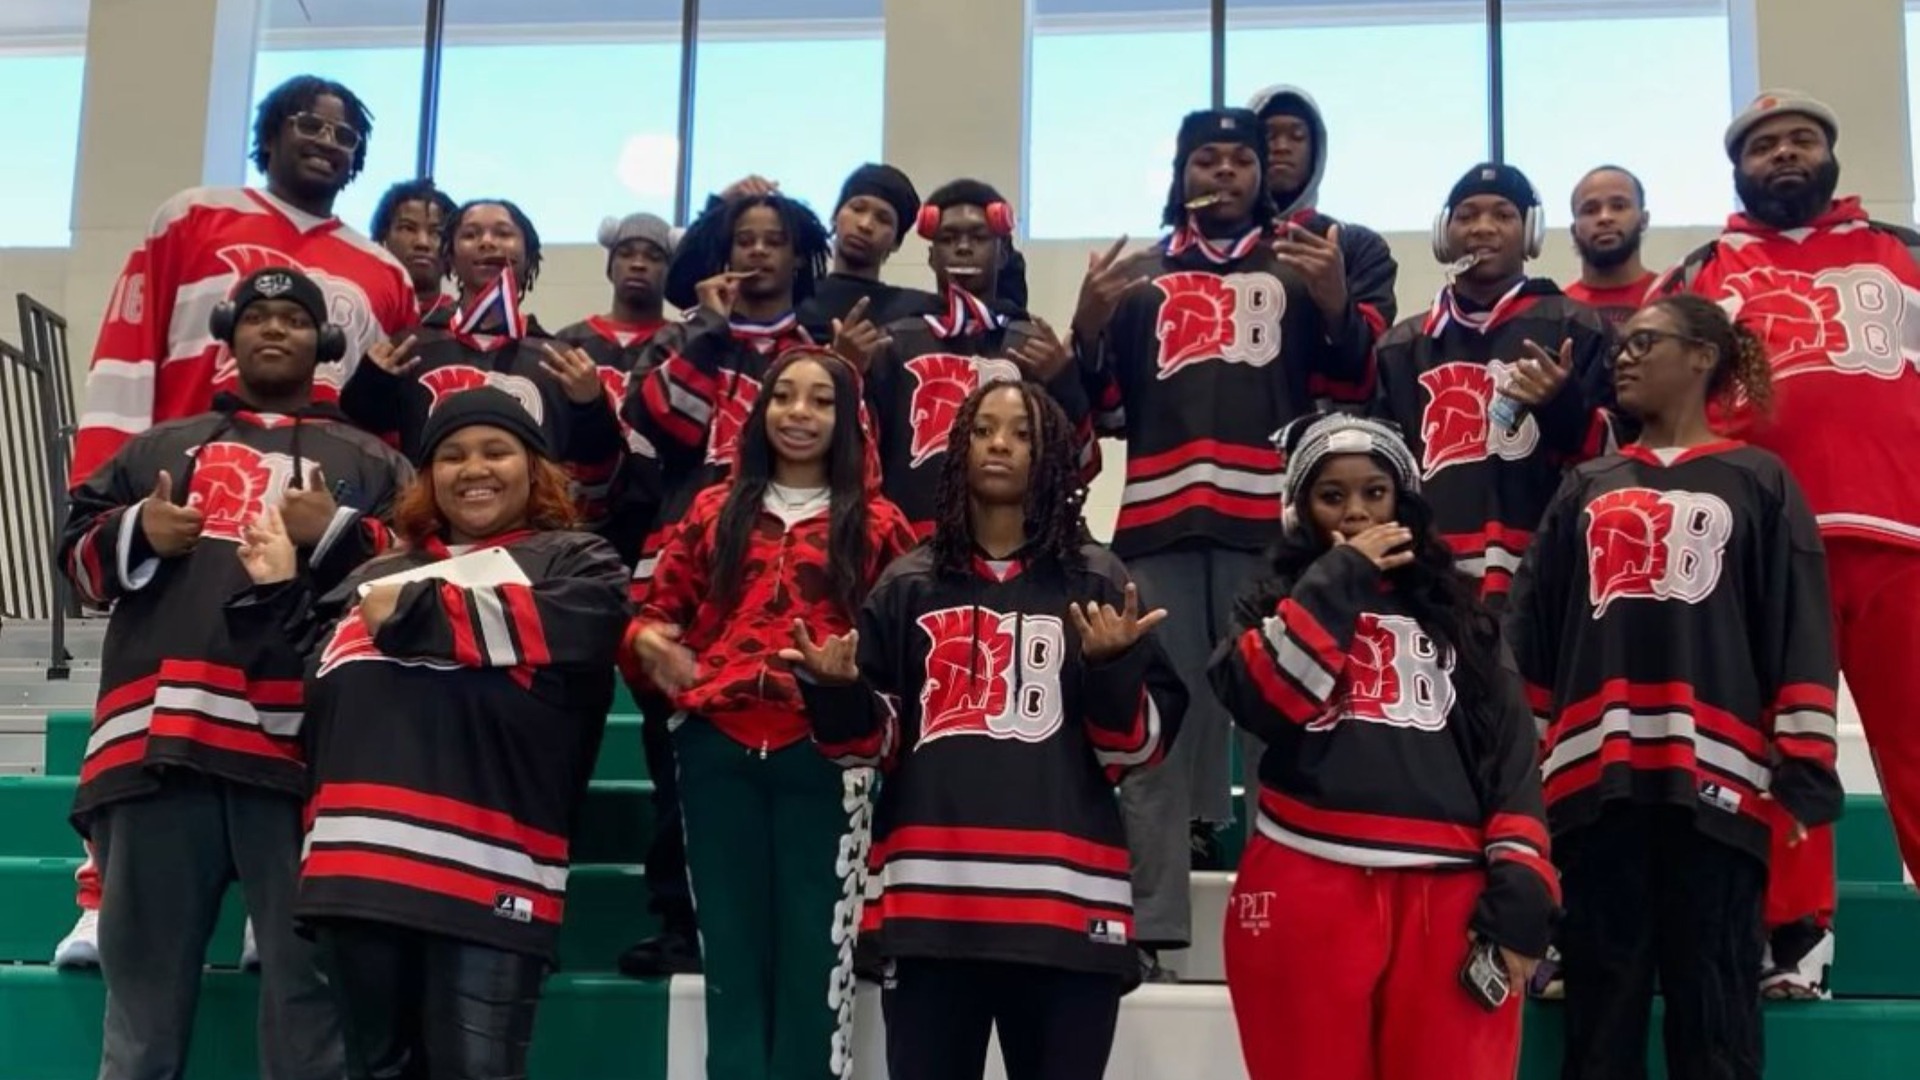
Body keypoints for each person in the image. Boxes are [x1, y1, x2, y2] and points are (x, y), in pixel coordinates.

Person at [57, 267, 412, 1080]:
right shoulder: (157, 447)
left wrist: (339, 533)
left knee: (309, 1002)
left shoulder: (373, 460)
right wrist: (136, 530)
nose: (274, 329)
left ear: (325, 342)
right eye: (257, 316)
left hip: (303, 757)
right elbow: (74, 563)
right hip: (155, 749)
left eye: (294, 318)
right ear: (228, 333)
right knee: (141, 1011)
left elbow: (414, 586)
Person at [227, 386, 629, 1079]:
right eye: (451, 455)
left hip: (489, 875)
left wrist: (417, 614)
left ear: (535, 468)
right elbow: (294, 719)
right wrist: (274, 598)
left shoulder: (575, 560)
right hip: (355, 874)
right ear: (427, 477)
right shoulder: (374, 574)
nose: (473, 469)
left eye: (496, 451)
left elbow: (588, 625)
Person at [788, 379, 1187, 1080]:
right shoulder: (906, 585)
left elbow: (1133, 750)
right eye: (983, 430)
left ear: (1053, 455)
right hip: (931, 912)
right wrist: (837, 692)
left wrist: (1111, 668)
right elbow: (866, 747)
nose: (999, 444)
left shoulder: (1099, 582)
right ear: (959, 449)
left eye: (1022, 433)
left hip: (1068, 911)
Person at [1506, 294, 1843, 1079]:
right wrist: (1522, 762)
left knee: (1716, 1014)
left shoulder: (1759, 478)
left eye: (1645, 343)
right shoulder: (1586, 484)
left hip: (1719, 779)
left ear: (1702, 356)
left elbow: (1797, 620)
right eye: (1622, 345)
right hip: (1597, 782)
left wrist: (1801, 760)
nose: (1623, 358)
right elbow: (1533, 627)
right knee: (1601, 1017)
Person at [1074, 107, 1376, 974]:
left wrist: (1336, 304)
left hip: (1272, 537)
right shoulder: (1137, 281)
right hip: (1156, 528)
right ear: (1181, 174)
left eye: (1239, 159)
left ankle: (1300, 924)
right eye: (1205, 158)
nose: (1224, 172)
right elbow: (1099, 410)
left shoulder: (1299, 268)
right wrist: (1088, 327)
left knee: (1289, 722)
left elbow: (1356, 388)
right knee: (1156, 728)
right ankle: (1152, 933)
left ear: (1261, 175)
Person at [1655, 89, 1920, 999]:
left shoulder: (1904, 252)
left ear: (1831, 155)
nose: (1783, 155)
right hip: (1764, 544)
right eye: (1763, 145)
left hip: (1903, 535)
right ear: (1738, 168)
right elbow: (1657, 395)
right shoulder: (1704, 270)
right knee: (1781, 749)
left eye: (1801, 138)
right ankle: (1795, 940)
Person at [1209, 413, 1554, 1080]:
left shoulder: (1465, 617)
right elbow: (1266, 701)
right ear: (1299, 510)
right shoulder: (1269, 606)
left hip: (1451, 893)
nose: (1356, 512)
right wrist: (1340, 577)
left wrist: (1520, 884)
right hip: (1306, 872)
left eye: (1375, 492)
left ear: (1406, 501)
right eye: (1331, 496)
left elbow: (1510, 755)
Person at [627, 348, 917, 1080]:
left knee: (815, 963)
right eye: (783, 396)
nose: (798, 413)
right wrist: (651, 645)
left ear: (849, 419)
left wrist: (853, 693)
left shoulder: (881, 525)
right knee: (731, 960)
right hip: (716, 748)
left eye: (820, 400)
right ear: (759, 413)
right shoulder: (712, 509)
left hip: (826, 757)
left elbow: (904, 656)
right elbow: (653, 615)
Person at [70, 74, 417, 488]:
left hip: (321, 498)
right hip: (181, 484)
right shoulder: (191, 218)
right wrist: (100, 484)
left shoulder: (388, 274)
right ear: (270, 136)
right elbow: (129, 355)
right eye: (310, 125)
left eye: (345, 136)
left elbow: (387, 420)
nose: (327, 142)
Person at [1371, 162, 1614, 604]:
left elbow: (1615, 461)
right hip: (1431, 579)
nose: (1482, 227)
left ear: (1531, 232)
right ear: (1443, 233)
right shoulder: (1400, 347)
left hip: (1548, 575)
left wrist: (1562, 407)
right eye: (1466, 216)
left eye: (1503, 215)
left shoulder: (1579, 328)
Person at [553, 211, 693, 976]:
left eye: (653, 254)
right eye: (628, 252)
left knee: (669, 742)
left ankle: (679, 913)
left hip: (666, 538)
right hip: (577, 544)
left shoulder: (687, 346)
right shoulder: (569, 342)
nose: (639, 265)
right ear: (609, 262)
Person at [339, 197, 625, 525]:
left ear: (529, 254)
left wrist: (591, 406)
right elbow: (364, 445)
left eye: (503, 233)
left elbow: (599, 468)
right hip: (428, 532)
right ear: (449, 256)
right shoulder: (411, 348)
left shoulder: (558, 360)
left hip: (535, 536)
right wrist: (369, 384)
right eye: (471, 234)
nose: (487, 242)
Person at [866, 178, 1093, 535]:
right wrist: (848, 370)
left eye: (979, 237)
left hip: (1016, 551)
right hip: (910, 549)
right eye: (948, 238)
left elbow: (1083, 463)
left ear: (1002, 254)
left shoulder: (1033, 347)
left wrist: (1064, 382)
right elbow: (857, 463)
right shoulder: (891, 345)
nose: (963, 247)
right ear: (931, 257)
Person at [1246, 84, 1401, 359]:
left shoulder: (1358, 246)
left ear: (1316, 150)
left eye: (1297, 136)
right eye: (1268, 136)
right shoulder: (1219, 245)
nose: (1281, 147)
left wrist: (1337, 306)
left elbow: (1374, 360)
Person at [1565, 166, 1656, 329]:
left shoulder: (1673, 299)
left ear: (1644, 220)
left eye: (1619, 206)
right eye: (1590, 210)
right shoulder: (1560, 309)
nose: (1605, 217)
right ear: (1574, 230)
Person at [369, 178, 457, 318]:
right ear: (382, 239)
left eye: (436, 233)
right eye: (408, 228)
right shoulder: (361, 310)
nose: (422, 243)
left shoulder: (463, 323)